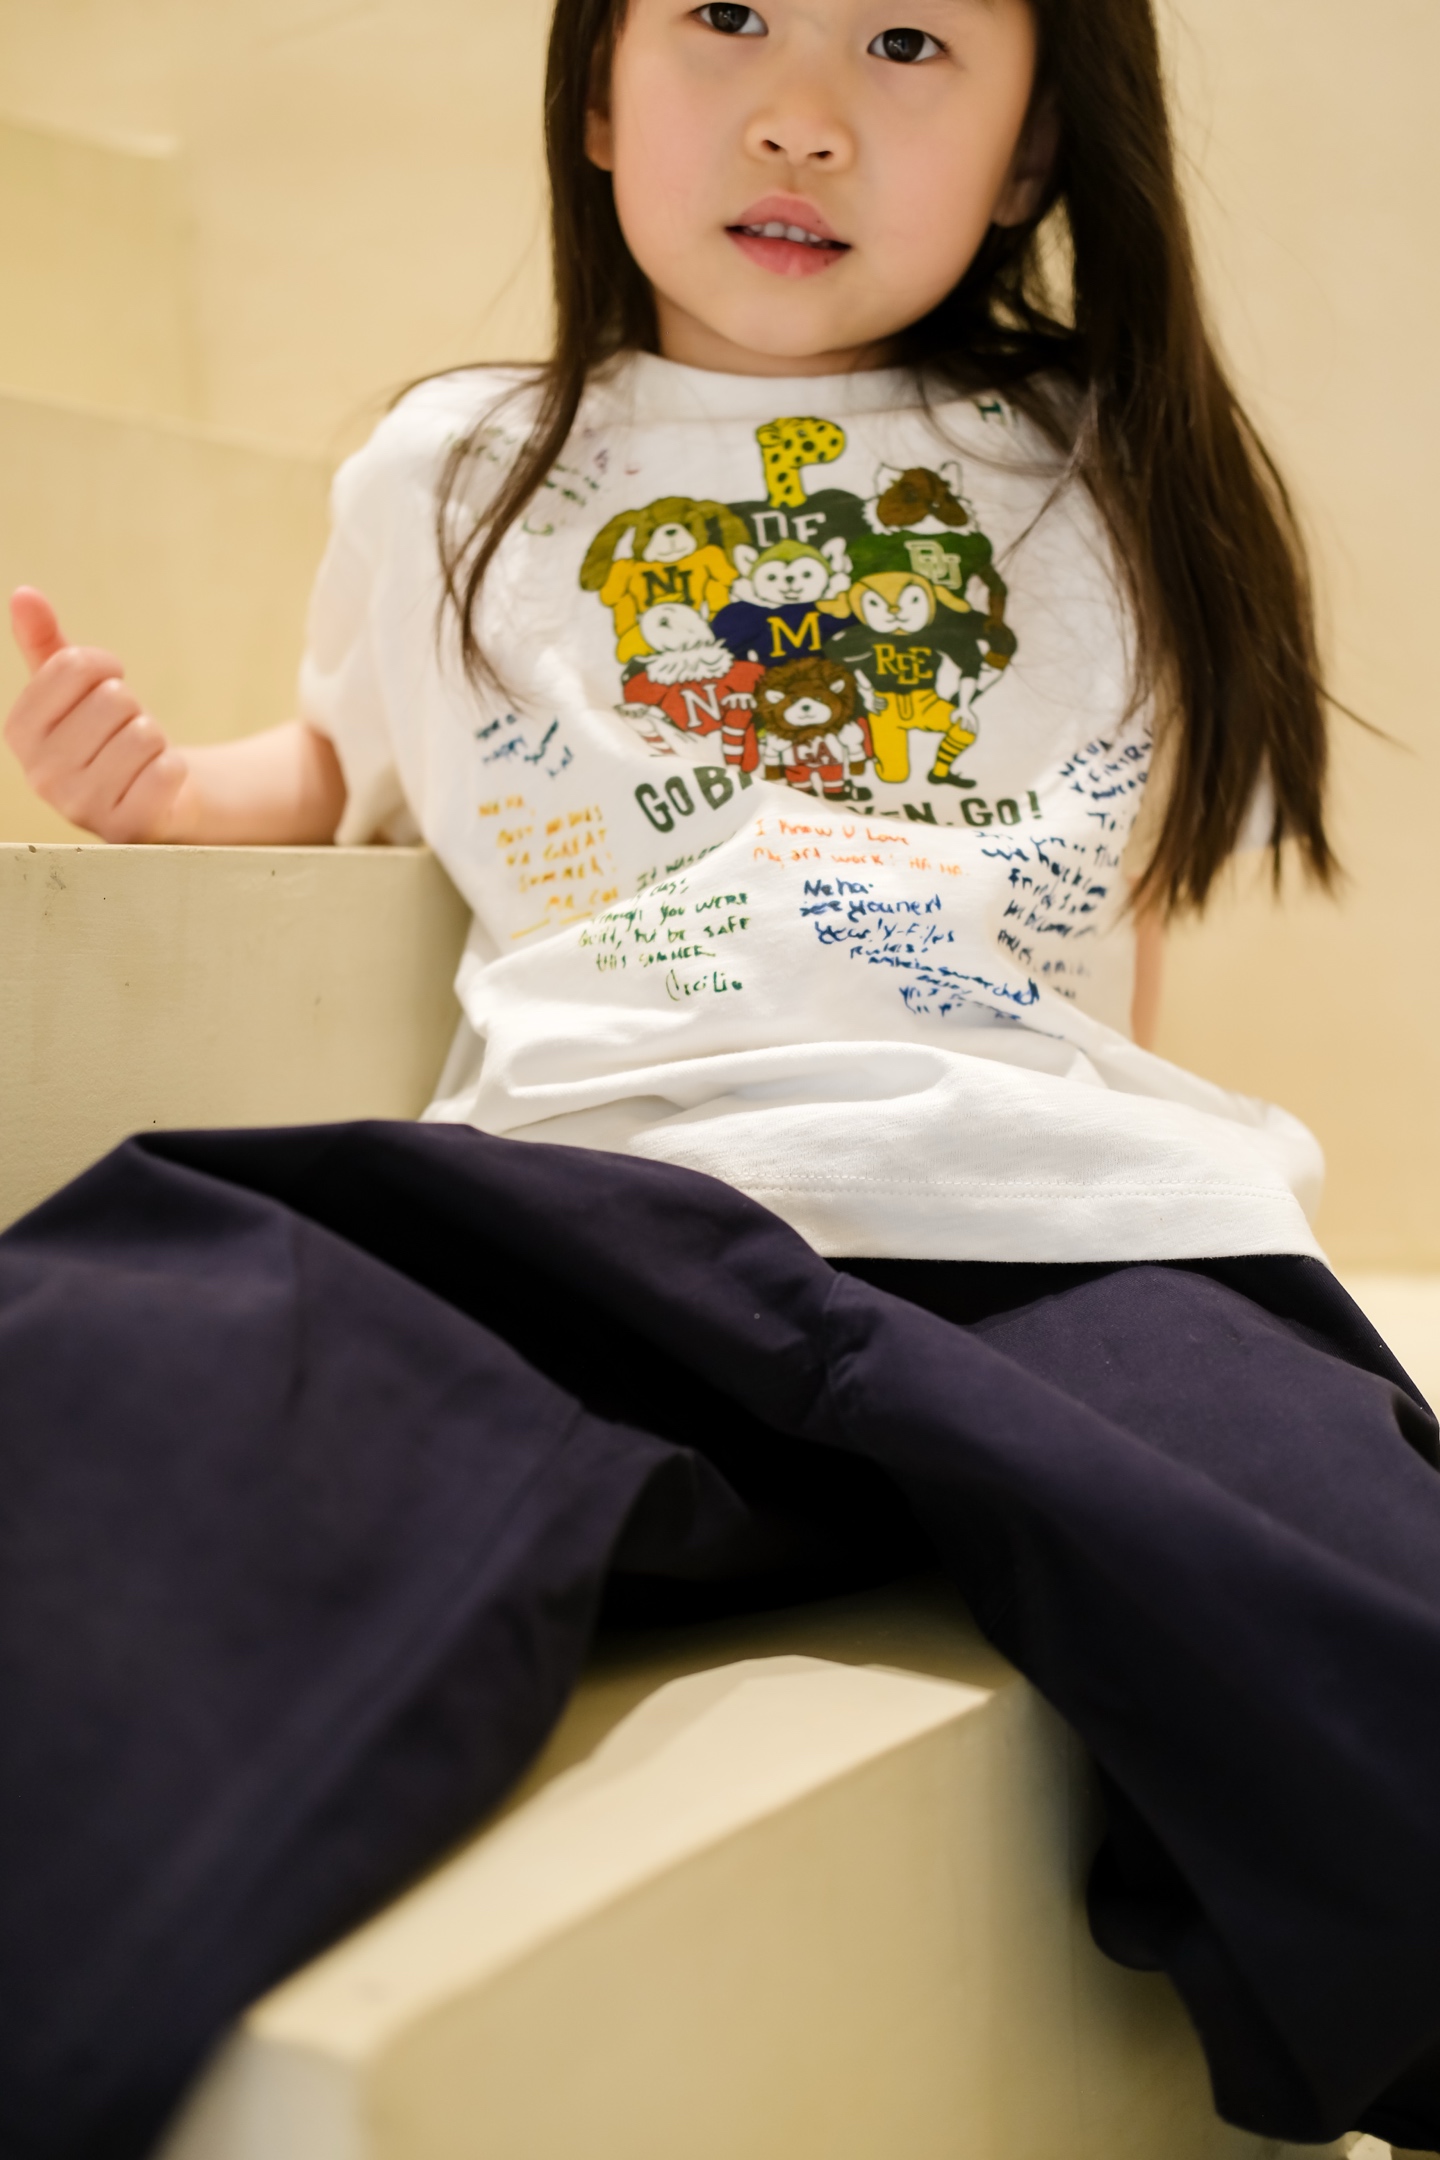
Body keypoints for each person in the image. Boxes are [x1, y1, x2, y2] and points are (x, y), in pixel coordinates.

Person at [4, 3, 1440, 2157]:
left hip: (1049, 1217)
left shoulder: (1102, 462)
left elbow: (1112, 921)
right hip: (601, 1205)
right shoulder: (455, 468)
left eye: (907, 38)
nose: (800, 114)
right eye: (728, 17)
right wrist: (175, 793)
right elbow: (354, 759)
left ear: (1038, 149)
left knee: (1380, 1636)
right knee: (130, 1340)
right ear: (596, 91)